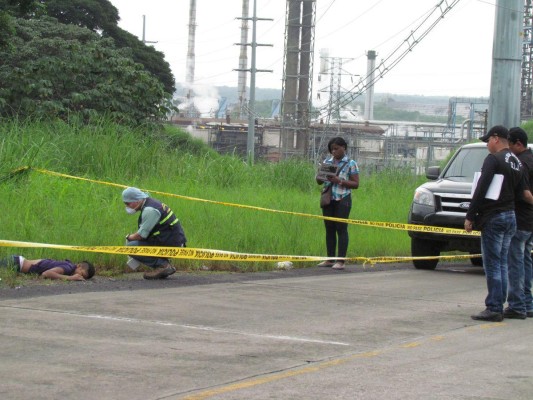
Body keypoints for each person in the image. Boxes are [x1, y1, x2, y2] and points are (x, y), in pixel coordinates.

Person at [465, 125, 523, 322]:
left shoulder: (493, 159)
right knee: (502, 263)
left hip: (494, 217)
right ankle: (500, 304)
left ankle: (494, 307)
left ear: (496, 138)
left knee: (492, 264)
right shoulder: (516, 161)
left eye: (488, 140)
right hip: (510, 215)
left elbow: (481, 187)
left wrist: (471, 215)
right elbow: (520, 192)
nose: (487, 145)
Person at [122, 187, 187, 280]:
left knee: (130, 247)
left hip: (171, 243)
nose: (127, 206)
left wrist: (129, 237)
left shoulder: (149, 210)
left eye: (127, 203)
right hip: (171, 239)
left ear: (137, 200)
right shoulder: (151, 204)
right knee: (136, 244)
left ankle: (163, 266)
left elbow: (141, 235)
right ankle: (163, 265)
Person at [316, 137, 359, 270]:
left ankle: (341, 261)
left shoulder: (350, 163)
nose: (334, 152)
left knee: (341, 229)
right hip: (329, 199)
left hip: (343, 199)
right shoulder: (327, 162)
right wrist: (320, 175)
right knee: (329, 229)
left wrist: (339, 180)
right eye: (332, 149)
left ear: (343, 148)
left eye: (336, 148)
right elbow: (319, 182)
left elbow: (356, 184)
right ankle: (330, 259)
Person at [506, 127, 533, 319]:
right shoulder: (531, 158)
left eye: (509, 145)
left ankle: (517, 305)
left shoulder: (520, 164)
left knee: (515, 262)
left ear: (518, 144)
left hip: (521, 218)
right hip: (529, 221)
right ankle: (527, 304)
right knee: (525, 260)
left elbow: (525, 193)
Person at [0, 254, 94, 280]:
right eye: (82, 274)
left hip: (17, 262)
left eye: (83, 277)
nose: (80, 277)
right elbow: (46, 274)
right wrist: (71, 278)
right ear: (79, 266)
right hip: (15, 263)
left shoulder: (69, 267)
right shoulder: (68, 268)